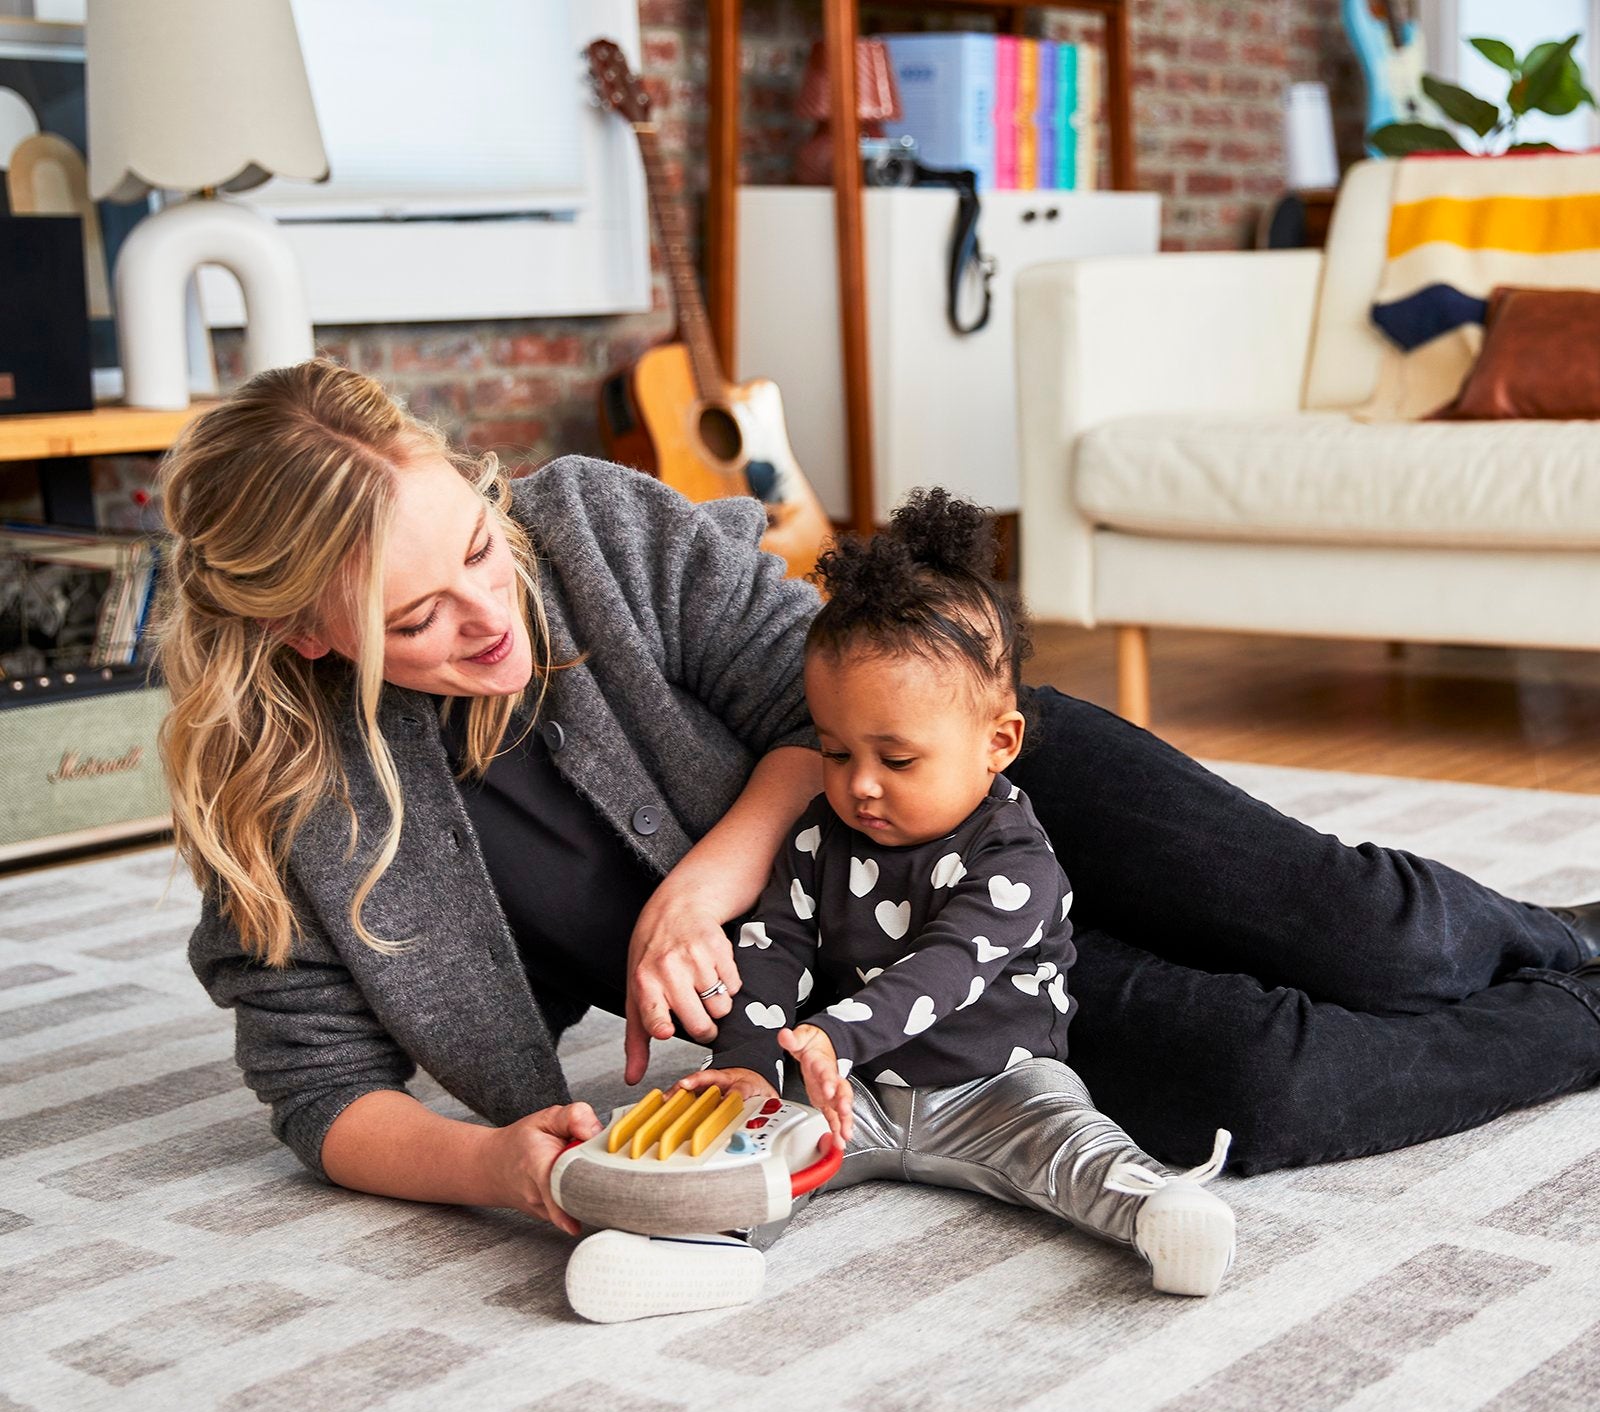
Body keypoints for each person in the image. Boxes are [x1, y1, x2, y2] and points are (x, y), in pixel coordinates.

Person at [161, 361, 1600, 1323]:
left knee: (1377, 940)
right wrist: (499, 1170)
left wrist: (711, 874)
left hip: (966, 775)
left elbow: (830, 681)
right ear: (298, 629)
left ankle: (1570, 934)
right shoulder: (284, 809)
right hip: (880, 994)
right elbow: (319, 1087)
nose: (489, 614)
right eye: (415, 619)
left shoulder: (587, 528)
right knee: (1262, 1091)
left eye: (476, 547)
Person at [669, 489, 1237, 1300]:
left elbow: (947, 969)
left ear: (996, 742)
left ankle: (1161, 1216)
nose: (859, 786)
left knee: (1073, 1143)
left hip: (997, 1085)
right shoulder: (815, 836)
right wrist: (749, 1066)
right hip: (849, 1094)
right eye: (834, 752)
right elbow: (773, 950)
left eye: (896, 761)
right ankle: (696, 1246)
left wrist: (832, 1035)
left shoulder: (1017, 858)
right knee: (749, 1143)